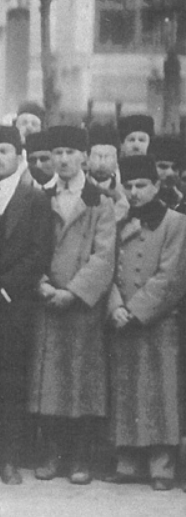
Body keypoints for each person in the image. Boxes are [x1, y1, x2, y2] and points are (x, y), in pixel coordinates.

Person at [28, 125, 116, 486]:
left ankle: (80, 457)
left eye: (70, 152)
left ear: (84, 156)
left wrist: (74, 292)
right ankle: (52, 454)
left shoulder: (100, 202)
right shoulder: (39, 197)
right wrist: (40, 283)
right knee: (50, 381)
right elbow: (29, 246)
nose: (62, 160)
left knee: (80, 382)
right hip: (46, 301)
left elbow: (104, 255)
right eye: (56, 153)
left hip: (81, 307)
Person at [0, 126, 53, 485]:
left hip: (14, 303)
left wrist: (3, 290)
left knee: (10, 382)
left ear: (19, 157)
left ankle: (9, 458)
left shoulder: (34, 198)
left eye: (4, 151)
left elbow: (39, 253)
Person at [104, 154, 186, 491]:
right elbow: (108, 267)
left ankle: (161, 465)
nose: (134, 193)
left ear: (156, 186)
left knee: (160, 392)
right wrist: (115, 306)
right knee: (126, 389)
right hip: (122, 319)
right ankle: (129, 461)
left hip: (158, 321)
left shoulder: (176, 223)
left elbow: (172, 277)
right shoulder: (120, 221)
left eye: (141, 186)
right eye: (129, 186)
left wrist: (136, 311)